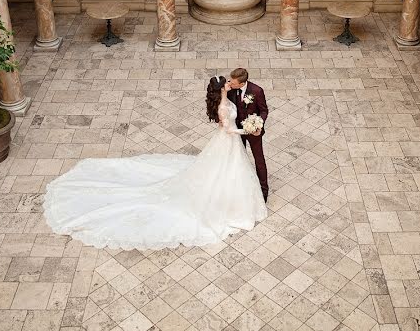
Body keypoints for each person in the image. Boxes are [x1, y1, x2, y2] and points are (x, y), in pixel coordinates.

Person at [43, 76, 267, 249]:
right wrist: (246, 129)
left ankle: (234, 198)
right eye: (226, 83)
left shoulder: (230, 99)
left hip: (229, 145)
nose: (229, 84)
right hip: (228, 139)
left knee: (230, 171)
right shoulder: (222, 107)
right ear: (220, 90)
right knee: (223, 172)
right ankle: (227, 205)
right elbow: (227, 129)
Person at [227, 67, 269, 202]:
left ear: (241, 83)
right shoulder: (231, 89)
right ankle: (243, 186)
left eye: (233, 83)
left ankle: (264, 191)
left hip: (253, 131)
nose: (230, 84)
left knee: (259, 159)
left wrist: (258, 125)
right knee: (240, 157)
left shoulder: (257, 91)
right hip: (236, 130)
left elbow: (264, 111)